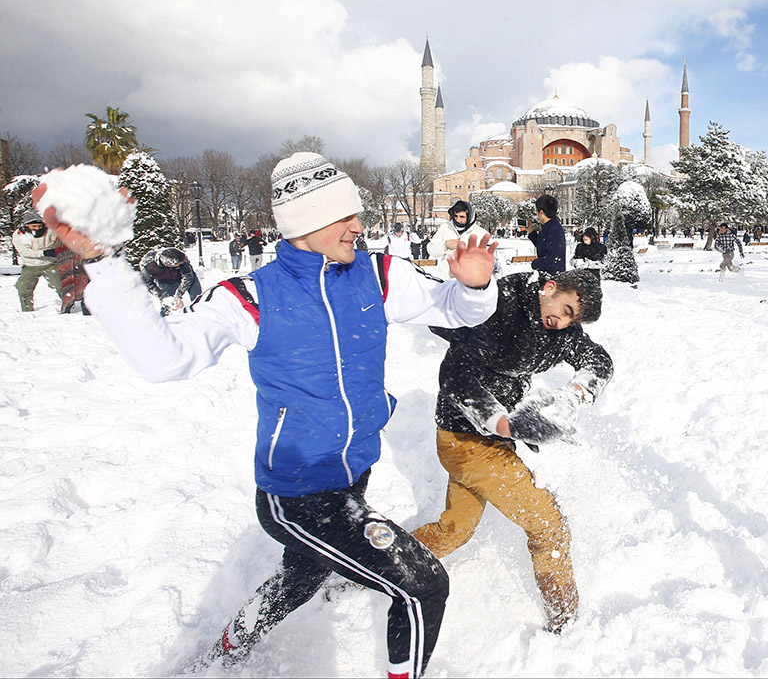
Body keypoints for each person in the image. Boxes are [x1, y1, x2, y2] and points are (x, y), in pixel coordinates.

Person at [34, 153, 499, 677]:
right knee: (423, 587)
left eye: (355, 213)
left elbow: (457, 313)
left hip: (351, 476)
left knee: (301, 578)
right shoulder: (252, 296)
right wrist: (103, 262)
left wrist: (474, 286)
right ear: (305, 223)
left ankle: (227, 649)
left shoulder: (378, 274)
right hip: (295, 492)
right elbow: (164, 358)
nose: (357, 225)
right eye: (343, 216)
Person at [411, 269, 612, 634]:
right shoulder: (499, 306)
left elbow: (599, 361)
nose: (563, 322)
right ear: (549, 287)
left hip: (489, 442)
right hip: (465, 440)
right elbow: (455, 374)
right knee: (549, 525)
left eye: (574, 318)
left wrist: (573, 395)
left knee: (455, 529)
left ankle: (376, 564)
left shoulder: (561, 331)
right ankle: (566, 620)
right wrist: (504, 423)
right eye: (565, 309)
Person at [13, 210, 65, 312]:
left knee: (61, 285)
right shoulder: (19, 235)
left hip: (49, 264)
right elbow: (25, 252)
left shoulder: (50, 231)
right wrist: (44, 253)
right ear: (26, 225)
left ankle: (68, 305)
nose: (37, 228)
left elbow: (57, 242)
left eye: (39, 226)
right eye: (34, 226)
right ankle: (27, 310)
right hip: (30, 265)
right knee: (23, 288)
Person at [139, 245, 203, 315]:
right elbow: (148, 283)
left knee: (197, 298)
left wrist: (179, 294)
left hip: (187, 277)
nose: (182, 263)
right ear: (167, 264)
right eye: (179, 264)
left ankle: (200, 314)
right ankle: (166, 319)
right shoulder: (148, 265)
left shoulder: (181, 258)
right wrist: (162, 296)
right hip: (165, 281)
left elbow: (188, 277)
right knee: (168, 304)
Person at [428, 200, 490, 265]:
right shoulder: (446, 227)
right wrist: (445, 246)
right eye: (455, 216)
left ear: (469, 217)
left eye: (462, 217)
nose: (458, 220)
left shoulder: (481, 234)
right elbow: (431, 250)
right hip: (446, 274)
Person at [528, 195, 566, 273]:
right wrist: (531, 232)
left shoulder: (554, 230)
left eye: (537, 211)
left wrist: (535, 263)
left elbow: (551, 259)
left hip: (553, 277)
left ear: (541, 212)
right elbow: (543, 246)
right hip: (548, 274)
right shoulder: (548, 227)